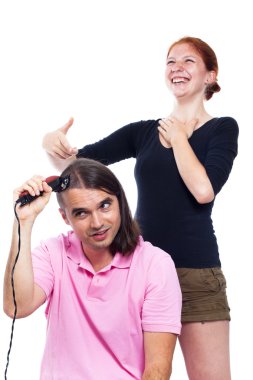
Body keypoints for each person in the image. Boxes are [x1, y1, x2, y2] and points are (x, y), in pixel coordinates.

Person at [42, 36, 239, 379]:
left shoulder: (223, 129)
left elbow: (204, 190)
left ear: (210, 75)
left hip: (194, 274)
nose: (177, 68)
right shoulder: (143, 132)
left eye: (188, 61)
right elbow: (73, 167)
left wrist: (179, 138)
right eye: (170, 61)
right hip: (136, 271)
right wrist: (50, 144)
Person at [3, 158, 182, 380]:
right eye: (81, 213)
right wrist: (24, 223)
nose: (97, 223)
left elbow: (158, 368)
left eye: (104, 205)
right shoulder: (53, 252)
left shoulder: (155, 265)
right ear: (65, 217)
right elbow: (16, 308)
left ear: (120, 202)